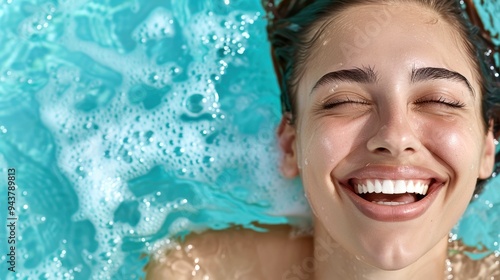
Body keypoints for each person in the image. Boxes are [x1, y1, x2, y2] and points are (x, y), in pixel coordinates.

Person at [145, 0, 500, 279]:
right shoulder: (198, 272)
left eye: (438, 101)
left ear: (488, 145)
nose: (395, 136)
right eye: (346, 101)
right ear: (290, 145)